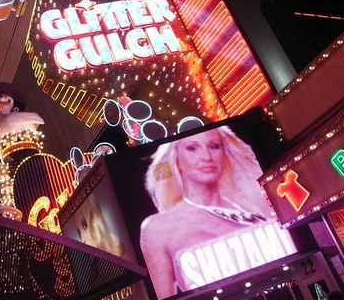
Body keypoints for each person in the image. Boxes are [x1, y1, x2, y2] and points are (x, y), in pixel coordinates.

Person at [140, 126, 277, 299]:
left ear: (224, 153)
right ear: (177, 160)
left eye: (214, 146)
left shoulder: (254, 212)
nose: (206, 157)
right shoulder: (158, 229)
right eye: (192, 148)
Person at [74, 195, 133, 261]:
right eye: (79, 234)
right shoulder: (95, 264)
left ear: (95, 218)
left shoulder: (126, 257)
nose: (82, 240)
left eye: (85, 225)